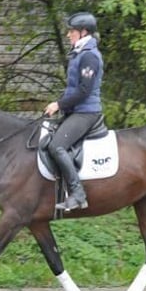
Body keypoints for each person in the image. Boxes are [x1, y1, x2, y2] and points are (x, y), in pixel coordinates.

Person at [43, 11, 104, 211]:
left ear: (83, 32)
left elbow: (84, 90)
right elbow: (72, 88)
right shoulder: (79, 53)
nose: (68, 35)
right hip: (76, 110)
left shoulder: (89, 56)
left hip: (87, 112)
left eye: (72, 31)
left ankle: (78, 194)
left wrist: (59, 104)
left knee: (57, 146)